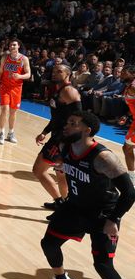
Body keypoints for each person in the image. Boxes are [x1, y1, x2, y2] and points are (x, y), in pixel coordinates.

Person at [40, 110, 134, 279]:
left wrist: (113, 220)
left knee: (102, 265)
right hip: (75, 207)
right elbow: (66, 165)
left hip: (103, 214)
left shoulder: (103, 157)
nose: (67, 125)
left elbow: (130, 192)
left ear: (87, 130)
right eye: (68, 121)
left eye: (73, 123)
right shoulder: (66, 146)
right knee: (49, 243)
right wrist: (63, 169)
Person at [34, 64, 81, 210]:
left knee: (38, 170)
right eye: (54, 70)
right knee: (61, 175)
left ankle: (61, 206)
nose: (55, 73)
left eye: (59, 71)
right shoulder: (59, 90)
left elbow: (79, 117)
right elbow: (58, 117)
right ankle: (65, 204)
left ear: (68, 74)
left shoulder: (69, 91)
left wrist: (66, 140)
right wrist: (45, 132)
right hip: (58, 136)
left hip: (61, 140)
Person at [0, 39, 31, 144]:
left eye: (14, 45)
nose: (12, 46)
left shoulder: (24, 59)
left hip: (16, 88)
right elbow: (0, 72)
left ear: (18, 46)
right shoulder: (5, 57)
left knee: (13, 112)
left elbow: (28, 74)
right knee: (4, 109)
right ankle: (1, 133)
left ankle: (11, 133)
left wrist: (20, 76)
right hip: (5, 87)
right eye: (10, 45)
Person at [119, 67, 135, 182]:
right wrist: (126, 115)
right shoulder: (129, 87)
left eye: (124, 73)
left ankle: (132, 178)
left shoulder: (134, 87)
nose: (121, 74)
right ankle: (132, 176)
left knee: (127, 147)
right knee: (127, 148)